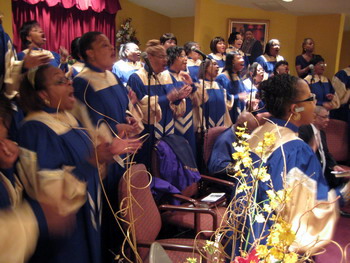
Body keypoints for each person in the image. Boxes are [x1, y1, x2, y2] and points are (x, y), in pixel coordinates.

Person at [17, 64, 140, 263]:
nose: (69, 82)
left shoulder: (67, 118)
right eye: (60, 81)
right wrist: (93, 161)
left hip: (86, 216)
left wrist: (107, 151)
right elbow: (48, 193)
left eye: (66, 78)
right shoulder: (35, 130)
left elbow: (90, 159)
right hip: (64, 232)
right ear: (42, 95)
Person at [243, 74, 344, 254]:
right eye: (310, 98)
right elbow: (307, 210)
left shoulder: (259, 132)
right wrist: (342, 195)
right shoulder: (295, 149)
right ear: (294, 109)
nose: (315, 102)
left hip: (245, 229)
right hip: (272, 241)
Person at [72, 31, 143, 261]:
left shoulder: (111, 76)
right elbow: (86, 123)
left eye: (110, 43)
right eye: (104, 45)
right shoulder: (82, 82)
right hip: (105, 157)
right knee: (110, 209)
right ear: (89, 53)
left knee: (125, 206)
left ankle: (127, 248)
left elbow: (121, 107)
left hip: (123, 151)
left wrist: (128, 119)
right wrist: (116, 130)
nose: (112, 48)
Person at [127, 39, 191, 167]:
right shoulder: (137, 77)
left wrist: (179, 97)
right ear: (150, 57)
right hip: (148, 130)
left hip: (167, 128)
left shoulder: (166, 76)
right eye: (162, 57)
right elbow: (140, 107)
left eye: (166, 56)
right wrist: (167, 98)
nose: (166, 60)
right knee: (148, 163)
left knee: (166, 163)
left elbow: (172, 102)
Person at [299, 106, 346, 189]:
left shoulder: (321, 133)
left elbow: (326, 154)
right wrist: (312, 146)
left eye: (328, 117)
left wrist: (334, 165)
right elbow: (303, 156)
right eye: (324, 117)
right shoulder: (304, 130)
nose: (327, 120)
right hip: (309, 177)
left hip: (324, 176)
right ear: (314, 117)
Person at [167, 46, 201, 155]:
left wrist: (191, 84)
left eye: (186, 56)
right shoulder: (165, 76)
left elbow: (198, 100)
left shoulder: (185, 76)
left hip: (188, 120)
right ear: (172, 58)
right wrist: (177, 97)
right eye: (181, 56)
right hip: (173, 122)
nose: (185, 59)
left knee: (189, 150)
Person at [197, 58, 231, 129]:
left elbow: (226, 108)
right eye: (214, 64)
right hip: (205, 127)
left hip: (220, 127)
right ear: (205, 67)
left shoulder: (219, 86)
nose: (217, 66)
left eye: (218, 64)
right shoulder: (199, 85)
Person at [216, 52, 247, 123]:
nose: (242, 60)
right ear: (232, 62)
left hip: (239, 110)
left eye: (242, 58)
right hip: (229, 113)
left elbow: (243, 93)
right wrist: (237, 97)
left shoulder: (238, 76)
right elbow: (222, 97)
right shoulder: (222, 78)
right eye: (239, 58)